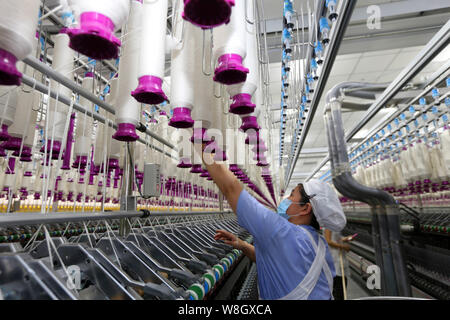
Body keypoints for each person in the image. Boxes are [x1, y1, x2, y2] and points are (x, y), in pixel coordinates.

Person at [200, 149, 347, 300]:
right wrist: (242, 245)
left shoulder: (281, 232)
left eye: (292, 195)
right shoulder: (318, 243)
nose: (286, 199)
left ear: (305, 208)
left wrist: (203, 143)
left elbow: (230, 188)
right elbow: (280, 261)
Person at [324, 229, 352, 300]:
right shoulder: (328, 226)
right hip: (335, 258)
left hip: (338, 258)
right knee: (339, 287)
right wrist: (343, 247)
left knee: (341, 286)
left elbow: (335, 239)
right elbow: (328, 241)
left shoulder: (334, 225)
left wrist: (344, 239)